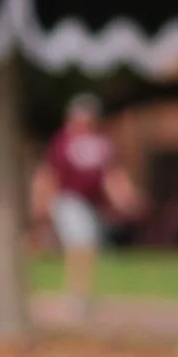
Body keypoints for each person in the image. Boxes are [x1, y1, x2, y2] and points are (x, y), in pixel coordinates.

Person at [36, 91, 134, 314]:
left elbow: (111, 173)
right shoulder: (62, 140)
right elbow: (49, 172)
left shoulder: (102, 142)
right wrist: (43, 199)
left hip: (92, 203)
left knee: (88, 246)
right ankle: (75, 294)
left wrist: (123, 196)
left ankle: (81, 292)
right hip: (68, 198)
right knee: (79, 243)